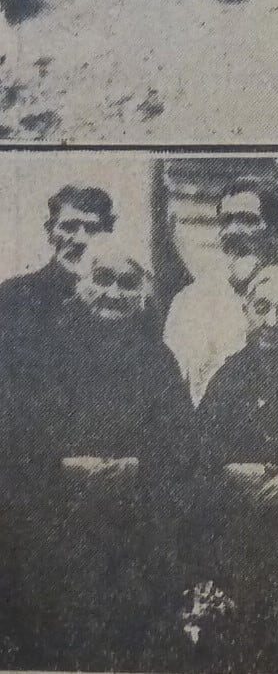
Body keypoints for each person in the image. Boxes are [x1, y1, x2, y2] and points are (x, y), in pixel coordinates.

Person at [6, 236, 194, 673]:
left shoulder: (156, 359)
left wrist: (137, 467)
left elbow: (180, 445)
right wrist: (64, 467)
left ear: (143, 294)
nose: (112, 293)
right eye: (102, 279)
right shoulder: (41, 352)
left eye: (126, 283)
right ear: (82, 284)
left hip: (133, 528)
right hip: (56, 523)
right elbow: (17, 436)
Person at [194, 266, 278, 674]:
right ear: (246, 311)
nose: (272, 321)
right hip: (240, 535)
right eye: (262, 307)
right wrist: (234, 473)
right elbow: (198, 453)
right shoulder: (228, 375)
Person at [165, 180, 278, 404]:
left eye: (248, 220)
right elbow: (175, 388)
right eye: (226, 221)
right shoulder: (191, 302)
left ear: (276, 230)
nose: (233, 231)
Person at [0, 186, 116, 355]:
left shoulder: (125, 298)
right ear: (50, 231)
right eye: (68, 227)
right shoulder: (13, 295)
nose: (80, 239)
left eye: (92, 229)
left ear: (109, 232)